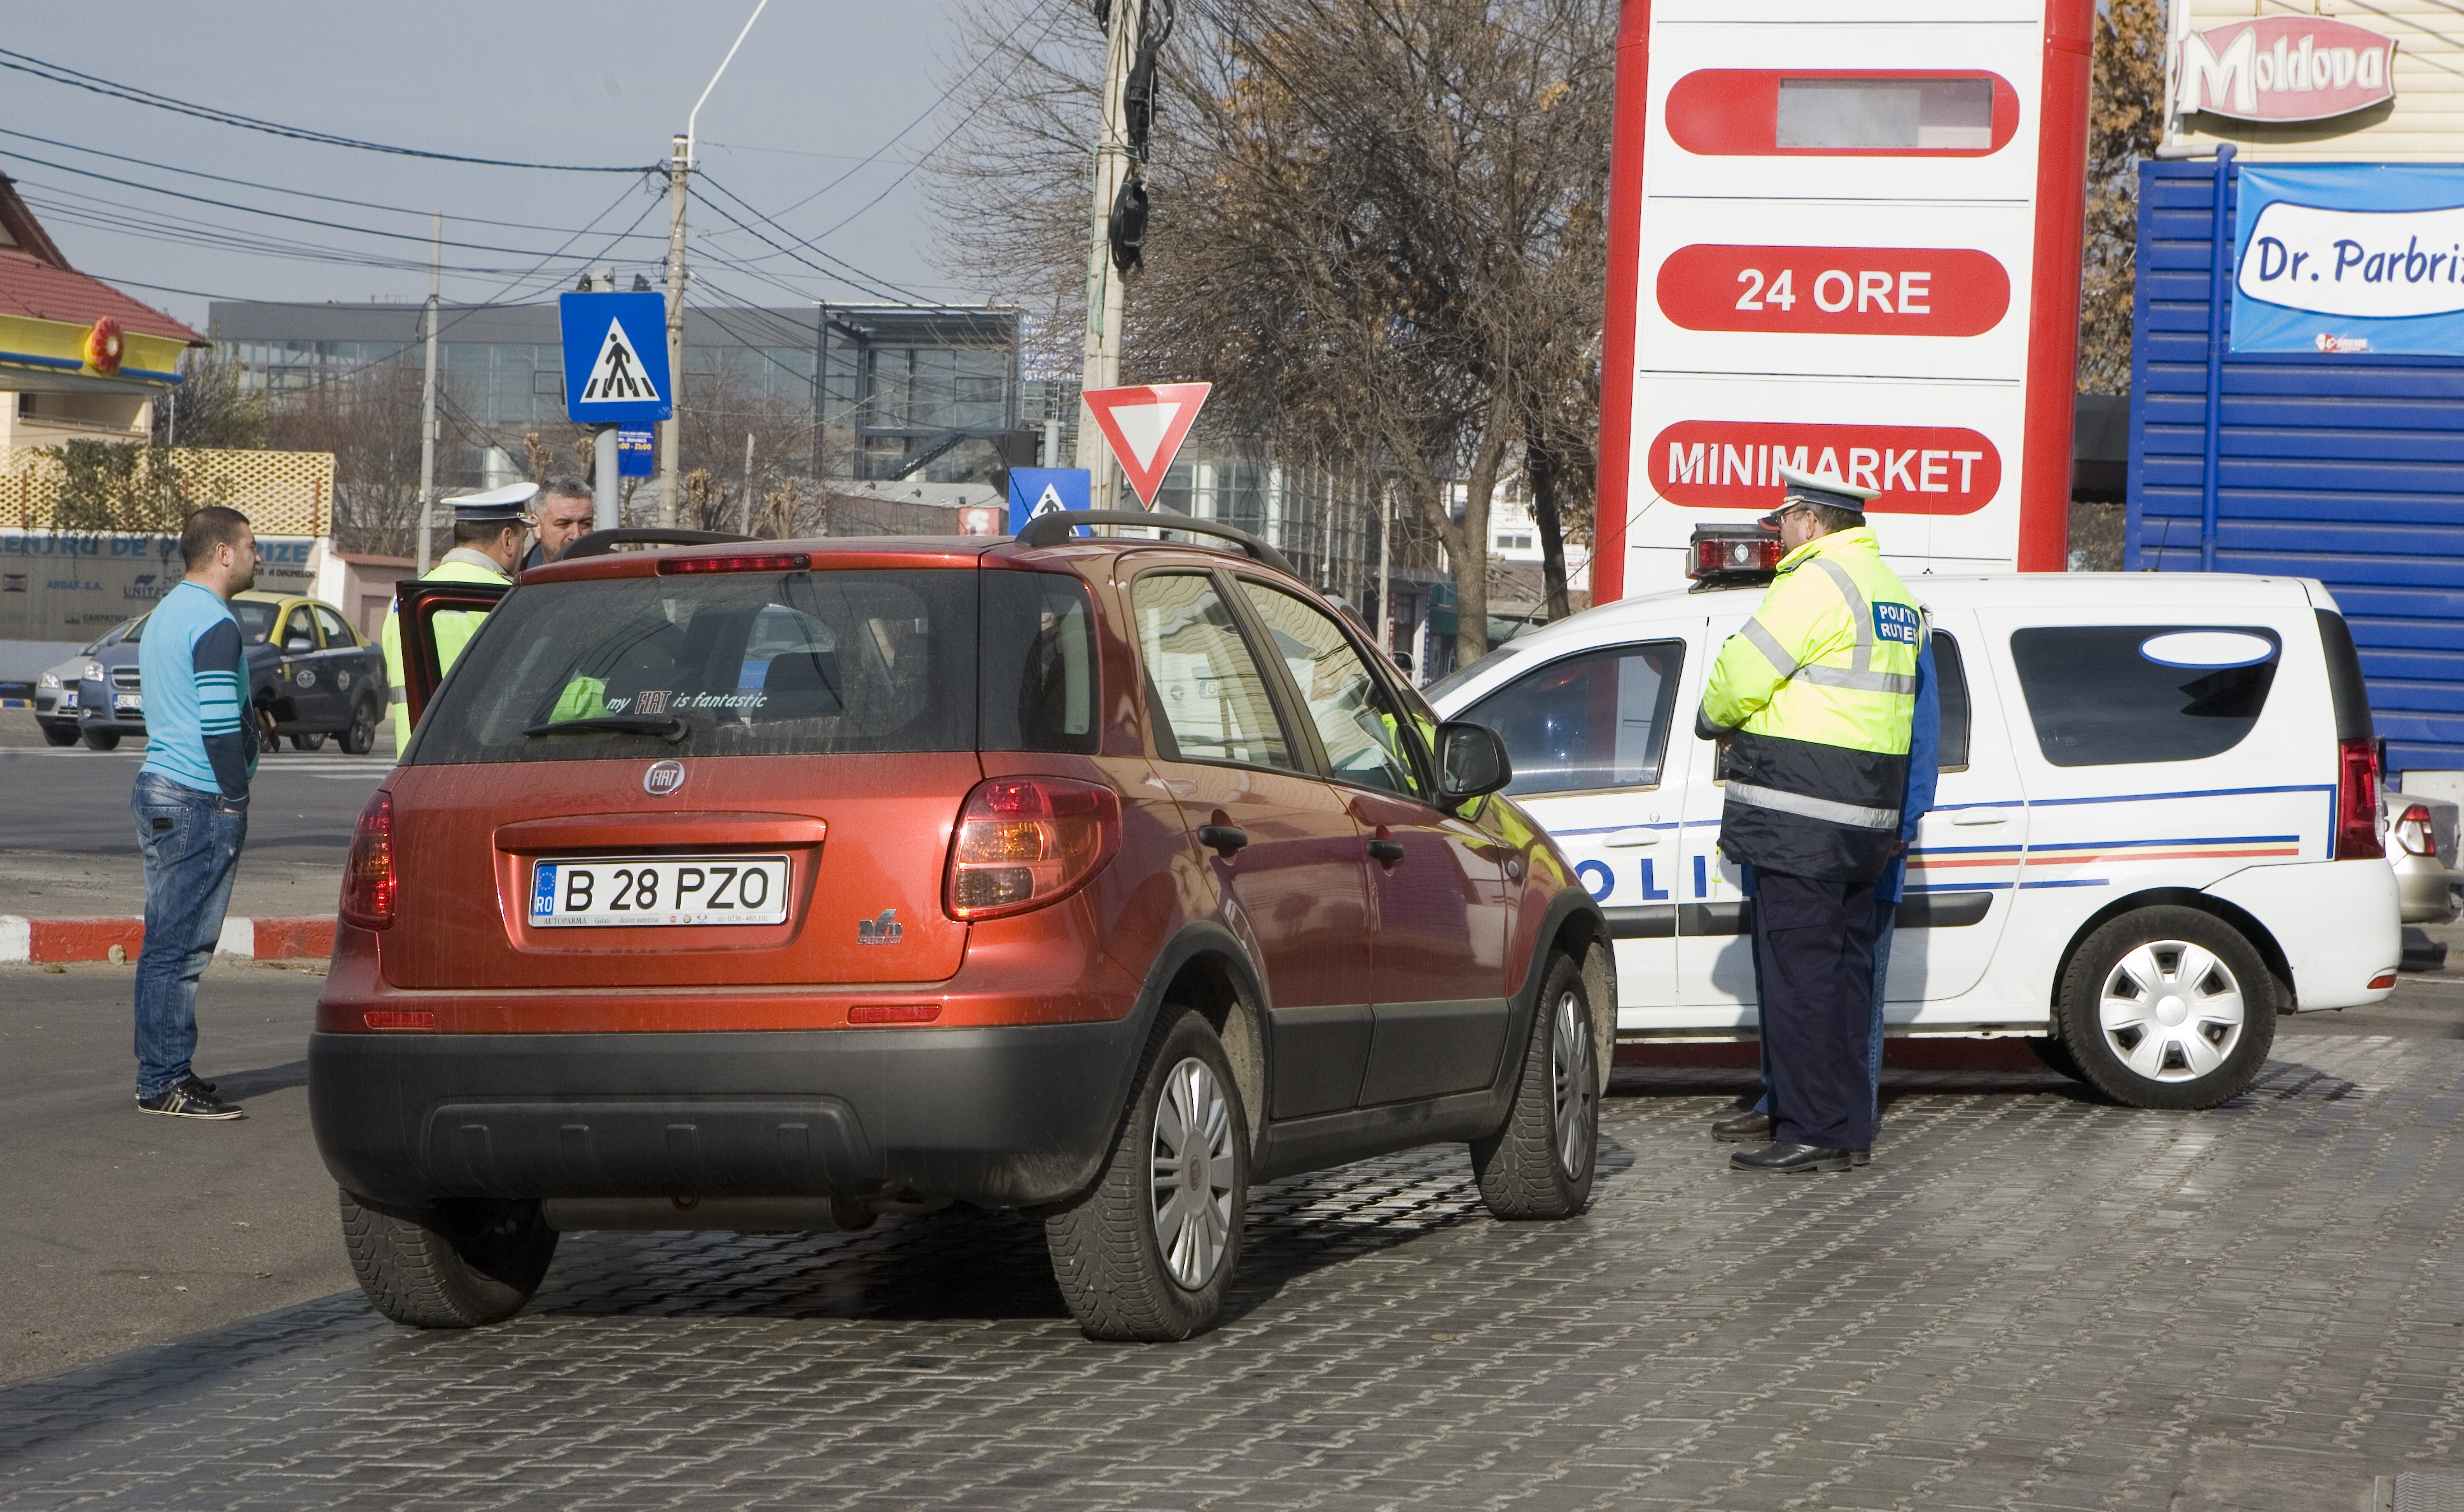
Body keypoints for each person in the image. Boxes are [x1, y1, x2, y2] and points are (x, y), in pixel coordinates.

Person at [1696, 464, 1921, 1174]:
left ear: (1814, 521)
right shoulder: (1893, 593)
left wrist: (1712, 717)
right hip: (1864, 822)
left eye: (1784, 518)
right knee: (1847, 982)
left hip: (1800, 820)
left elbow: (1738, 679)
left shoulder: (1816, 584)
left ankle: (1806, 1128)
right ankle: (1846, 1127)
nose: (1779, 532)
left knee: (1799, 981)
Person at [1713, 615, 1940, 1155]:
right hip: (1796, 834)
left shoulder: (1898, 624)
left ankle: (1839, 1122)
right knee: (1790, 987)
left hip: (1862, 835)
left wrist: (1902, 826)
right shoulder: (1797, 615)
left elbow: (1920, 729)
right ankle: (1788, 1103)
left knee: (1846, 993)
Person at [130, 506, 261, 1120]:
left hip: (162, 787)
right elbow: (214, 720)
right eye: (252, 547)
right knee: (180, 950)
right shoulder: (215, 621)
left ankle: (168, 1070)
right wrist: (235, 797)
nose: (258, 559)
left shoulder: (167, 613)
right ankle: (162, 1080)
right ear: (224, 554)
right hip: (197, 797)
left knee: (168, 941)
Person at [380, 483, 535, 749]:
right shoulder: (506, 597)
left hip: (414, 765)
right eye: (523, 539)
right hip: (482, 764)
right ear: (508, 540)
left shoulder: (405, 599)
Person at [522, 476, 596, 570]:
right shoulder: (519, 578)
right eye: (564, 524)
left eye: (585, 524)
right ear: (537, 526)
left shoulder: (614, 571)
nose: (576, 536)